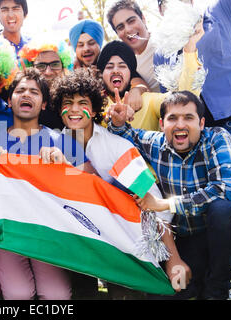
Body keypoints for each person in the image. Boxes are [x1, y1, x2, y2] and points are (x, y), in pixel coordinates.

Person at [51, 67, 191, 299]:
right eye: (68, 102)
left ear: (95, 108)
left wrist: (173, 258)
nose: (75, 110)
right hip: (77, 245)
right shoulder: (52, 145)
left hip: (126, 247)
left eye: (82, 103)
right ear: (59, 107)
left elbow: (153, 204)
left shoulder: (118, 147)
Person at [156, 0, 231, 299]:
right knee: (212, 207)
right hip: (200, 131)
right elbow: (172, 97)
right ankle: (216, 285)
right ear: (161, 10)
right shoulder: (163, 48)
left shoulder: (217, 15)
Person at [108, 90, 231, 300]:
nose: (180, 125)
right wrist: (117, 121)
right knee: (163, 296)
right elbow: (124, 134)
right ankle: (198, 284)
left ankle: (219, 290)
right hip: (184, 241)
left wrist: (166, 204)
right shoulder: (156, 143)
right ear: (162, 124)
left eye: (188, 117)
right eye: (173, 118)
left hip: (217, 234)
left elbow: (224, 190)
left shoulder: (216, 138)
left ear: (201, 123)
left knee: (223, 209)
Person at [0, 68, 96, 299]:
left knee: (57, 296)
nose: (26, 95)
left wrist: (65, 167)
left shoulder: (60, 140)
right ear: (9, 102)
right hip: (6, 233)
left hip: (47, 233)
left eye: (34, 92)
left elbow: (91, 182)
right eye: (20, 91)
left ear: (43, 104)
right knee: (18, 294)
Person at [97, 34, 203, 132]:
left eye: (122, 66)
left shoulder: (148, 100)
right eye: (109, 67)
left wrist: (189, 49)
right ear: (101, 74)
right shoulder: (94, 106)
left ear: (130, 74)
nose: (116, 70)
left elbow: (186, 99)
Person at [19, 36, 75, 129]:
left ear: (64, 66)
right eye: (41, 66)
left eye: (55, 64)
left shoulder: (73, 97)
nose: (48, 72)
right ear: (31, 68)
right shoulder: (22, 99)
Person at [106, 0, 160, 92]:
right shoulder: (124, 63)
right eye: (120, 27)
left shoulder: (164, 43)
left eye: (131, 21)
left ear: (143, 19)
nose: (128, 29)